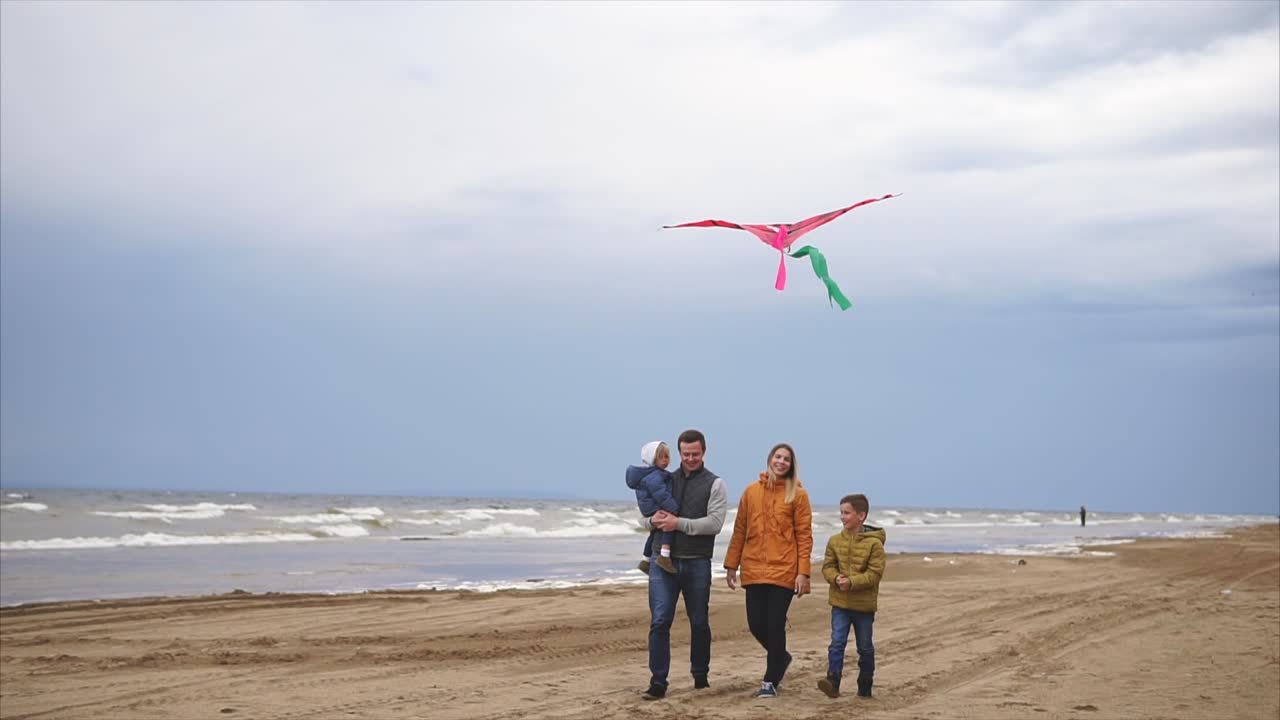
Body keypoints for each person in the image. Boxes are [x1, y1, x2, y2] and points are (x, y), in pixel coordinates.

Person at [639, 429, 728, 701]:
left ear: (704, 452)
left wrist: (679, 524)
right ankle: (658, 682)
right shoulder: (663, 479)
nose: (690, 458)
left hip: (697, 562)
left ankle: (700, 676)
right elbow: (643, 518)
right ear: (678, 453)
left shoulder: (716, 483)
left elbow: (715, 523)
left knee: (699, 621)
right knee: (660, 621)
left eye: (695, 454)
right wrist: (652, 521)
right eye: (686, 454)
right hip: (661, 560)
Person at [723, 442, 813, 699]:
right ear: (769, 459)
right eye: (778, 457)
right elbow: (740, 530)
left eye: (786, 459)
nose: (781, 462)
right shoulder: (751, 492)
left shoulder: (798, 495)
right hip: (753, 568)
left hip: (784, 569)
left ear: (791, 465)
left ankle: (770, 680)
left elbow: (804, 536)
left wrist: (803, 572)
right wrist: (732, 565)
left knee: (774, 624)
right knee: (756, 625)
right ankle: (781, 657)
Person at [817, 493, 886, 699]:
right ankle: (833, 681)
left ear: (861, 515)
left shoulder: (874, 545)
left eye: (847, 513)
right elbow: (827, 567)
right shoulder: (835, 541)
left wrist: (852, 582)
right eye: (841, 513)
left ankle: (865, 684)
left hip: (863, 606)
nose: (842, 517)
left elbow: (874, 574)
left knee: (864, 647)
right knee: (837, 642)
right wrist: (836, 578)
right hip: (840, 603)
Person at [625, 441, 677, 574]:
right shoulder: (655, 476)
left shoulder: (649, 474)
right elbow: (661, 494)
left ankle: (645, 559)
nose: (665, 461)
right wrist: (673, 508)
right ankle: (664, 556)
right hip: (654, 507)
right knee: (668, 524)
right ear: (652, 459)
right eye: (661, 457)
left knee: (653, 533)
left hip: (648, 508)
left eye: (667, 457)